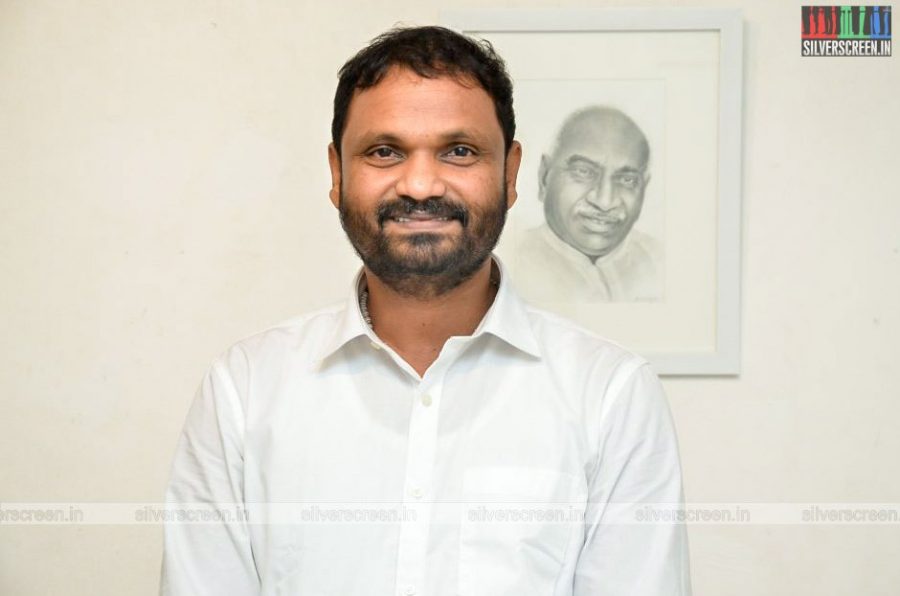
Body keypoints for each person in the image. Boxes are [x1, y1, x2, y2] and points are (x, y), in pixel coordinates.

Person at [160, 26, 690, 596]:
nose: (419, 184)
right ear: (337, 174)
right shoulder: (244, 391)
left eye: (459, 151)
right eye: (384, 151)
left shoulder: (610, 396)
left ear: (511, 174)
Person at [515, 106, 663, 303]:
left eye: (627, 180)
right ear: (544, 177)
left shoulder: (662, 262)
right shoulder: (504, 268)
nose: (605, 202)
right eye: (583, 172)